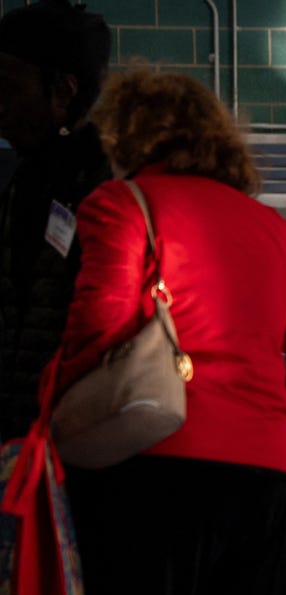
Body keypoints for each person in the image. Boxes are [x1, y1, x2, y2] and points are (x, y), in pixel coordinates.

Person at [54, 69, 286, 595]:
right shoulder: (278, 232)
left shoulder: (123, 204)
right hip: (258, 475)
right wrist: (267, 416)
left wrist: (57, 415)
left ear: (131, 137)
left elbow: (98, 325)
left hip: (144, 466)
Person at [0, 0, 111, 442]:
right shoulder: (22, 180)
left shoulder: (107, 186)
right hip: (22, 438)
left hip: (82, 441)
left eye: (8, 89)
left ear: (63, 92)